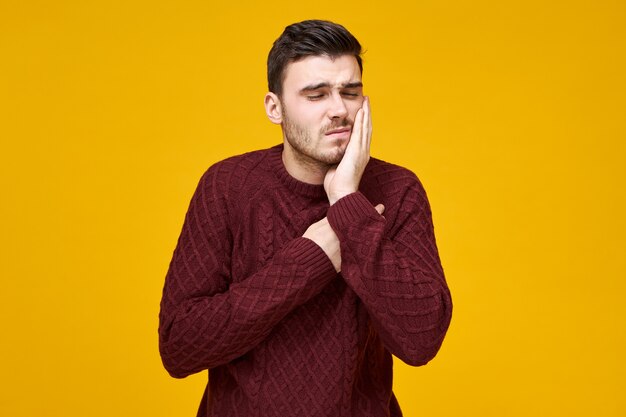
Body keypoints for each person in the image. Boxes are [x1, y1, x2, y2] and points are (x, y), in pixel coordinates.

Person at [159, 19, 452, 417]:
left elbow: (421, 340)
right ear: (274, 108)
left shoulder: (397, 191)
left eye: (351, 93)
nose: (339, 110)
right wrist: (312, 257)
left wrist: (348, 203)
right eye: (316, 95)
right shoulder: (227, 186)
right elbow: (179, 345)